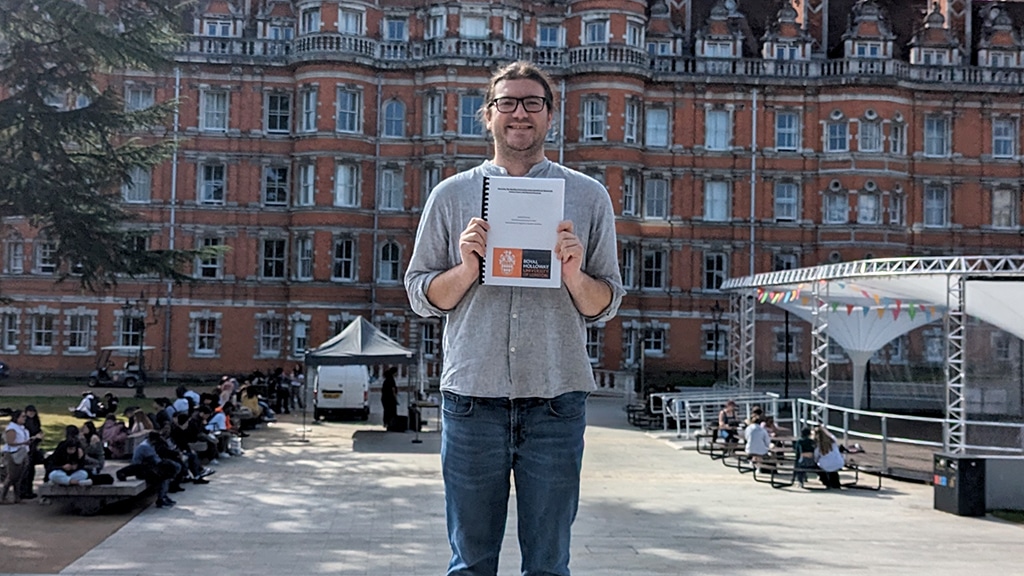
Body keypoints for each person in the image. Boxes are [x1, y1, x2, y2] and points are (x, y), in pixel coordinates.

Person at [405, 61, 624, 576]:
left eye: (532, 103)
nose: (519, 113)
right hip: (472, 400)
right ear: (488, 115)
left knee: (548, 564)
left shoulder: (589, 196)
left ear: (551, 116)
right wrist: (466, 269)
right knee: (471, 564)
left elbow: (605, 303)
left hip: (555, 401)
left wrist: (573, 273)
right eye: (507, 102)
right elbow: (420, 295)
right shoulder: (451, 195)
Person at [3, 410, 42, 503]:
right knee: (12, 476)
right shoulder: (12, 428)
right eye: (23, 417)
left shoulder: (22, 428)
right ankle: (2, 496)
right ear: (17, 418)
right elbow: (10, 442)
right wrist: (24, 443)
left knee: (20, 476)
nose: (25, 418)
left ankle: (17, 497)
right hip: (13, 453)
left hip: (23, 452)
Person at [18, 405, 44, 500]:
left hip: (33, 448)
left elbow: (38, 430)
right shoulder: (26, 423)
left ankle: (28, 490)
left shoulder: (35, 421)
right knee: (26, 471)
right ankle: (23, 491)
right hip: (27, 448)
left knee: (30, 471)